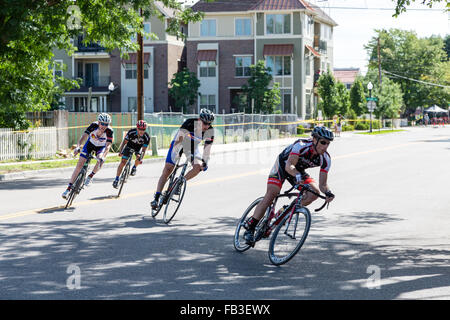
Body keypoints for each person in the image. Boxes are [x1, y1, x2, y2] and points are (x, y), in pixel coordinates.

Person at [243, 126, 336, 245]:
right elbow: (289, 165)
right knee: (272, 193)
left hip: (299, 171)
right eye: (323, 142)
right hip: (283, 166)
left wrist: (328, 192)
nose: (325, 146)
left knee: (315, 193)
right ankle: (251, 226)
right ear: (314, 140)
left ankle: (285, 211)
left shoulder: (326, 158)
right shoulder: (301, 145)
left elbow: (323, 184)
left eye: (328, 144)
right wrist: (297, 176)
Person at [150, 108, 215, 210]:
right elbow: (179, 139)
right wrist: (178, 152)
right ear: (199, 119)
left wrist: (205, 161)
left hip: (192, 147)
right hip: (179, 143)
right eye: (204, 123)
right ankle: (156, 197)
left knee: (198, 167)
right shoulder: (189, 123)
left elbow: (207, 148)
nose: (206, 126)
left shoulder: (210, 131)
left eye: (209, 123)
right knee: (168, 169)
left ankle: (180, 182)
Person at [62, 113, 114, 199]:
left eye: (106, 124)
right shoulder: (93, 125)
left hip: (100, 147)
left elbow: (108, 146)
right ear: (98, 122)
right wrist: (78, 147)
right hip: (90, 144)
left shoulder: (109, 131)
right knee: (79, 165)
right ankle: (68, 189)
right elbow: (83, 137)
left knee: (100, 159)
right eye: (102, 123)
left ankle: (90, 176)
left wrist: (103, 156)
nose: (104, 126)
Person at [113, 120, 150, 188]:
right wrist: (121, 151)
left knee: (139, 157)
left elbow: (144, 150)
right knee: (123, 162)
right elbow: (124, 142)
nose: (142, 131)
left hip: (138, 148)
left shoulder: (146, 137)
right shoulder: (131, 132)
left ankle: (134, 167)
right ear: (137, 128)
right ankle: (116, 179)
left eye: (143, 129)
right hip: (129, 146)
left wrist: (141, 158)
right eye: (140, 129)